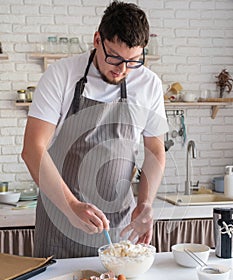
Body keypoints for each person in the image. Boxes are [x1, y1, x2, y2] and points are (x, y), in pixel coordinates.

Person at [22, 1, 168, 259]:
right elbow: (33, 150)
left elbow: (155, 148)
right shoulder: (61, 75)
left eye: (133, 61)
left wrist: (145, 202)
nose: (122, 69)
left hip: (118, 227)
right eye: (114, 56)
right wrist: (70, 206)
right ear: (97, 39)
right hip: (60, 222)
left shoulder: (149, 84)